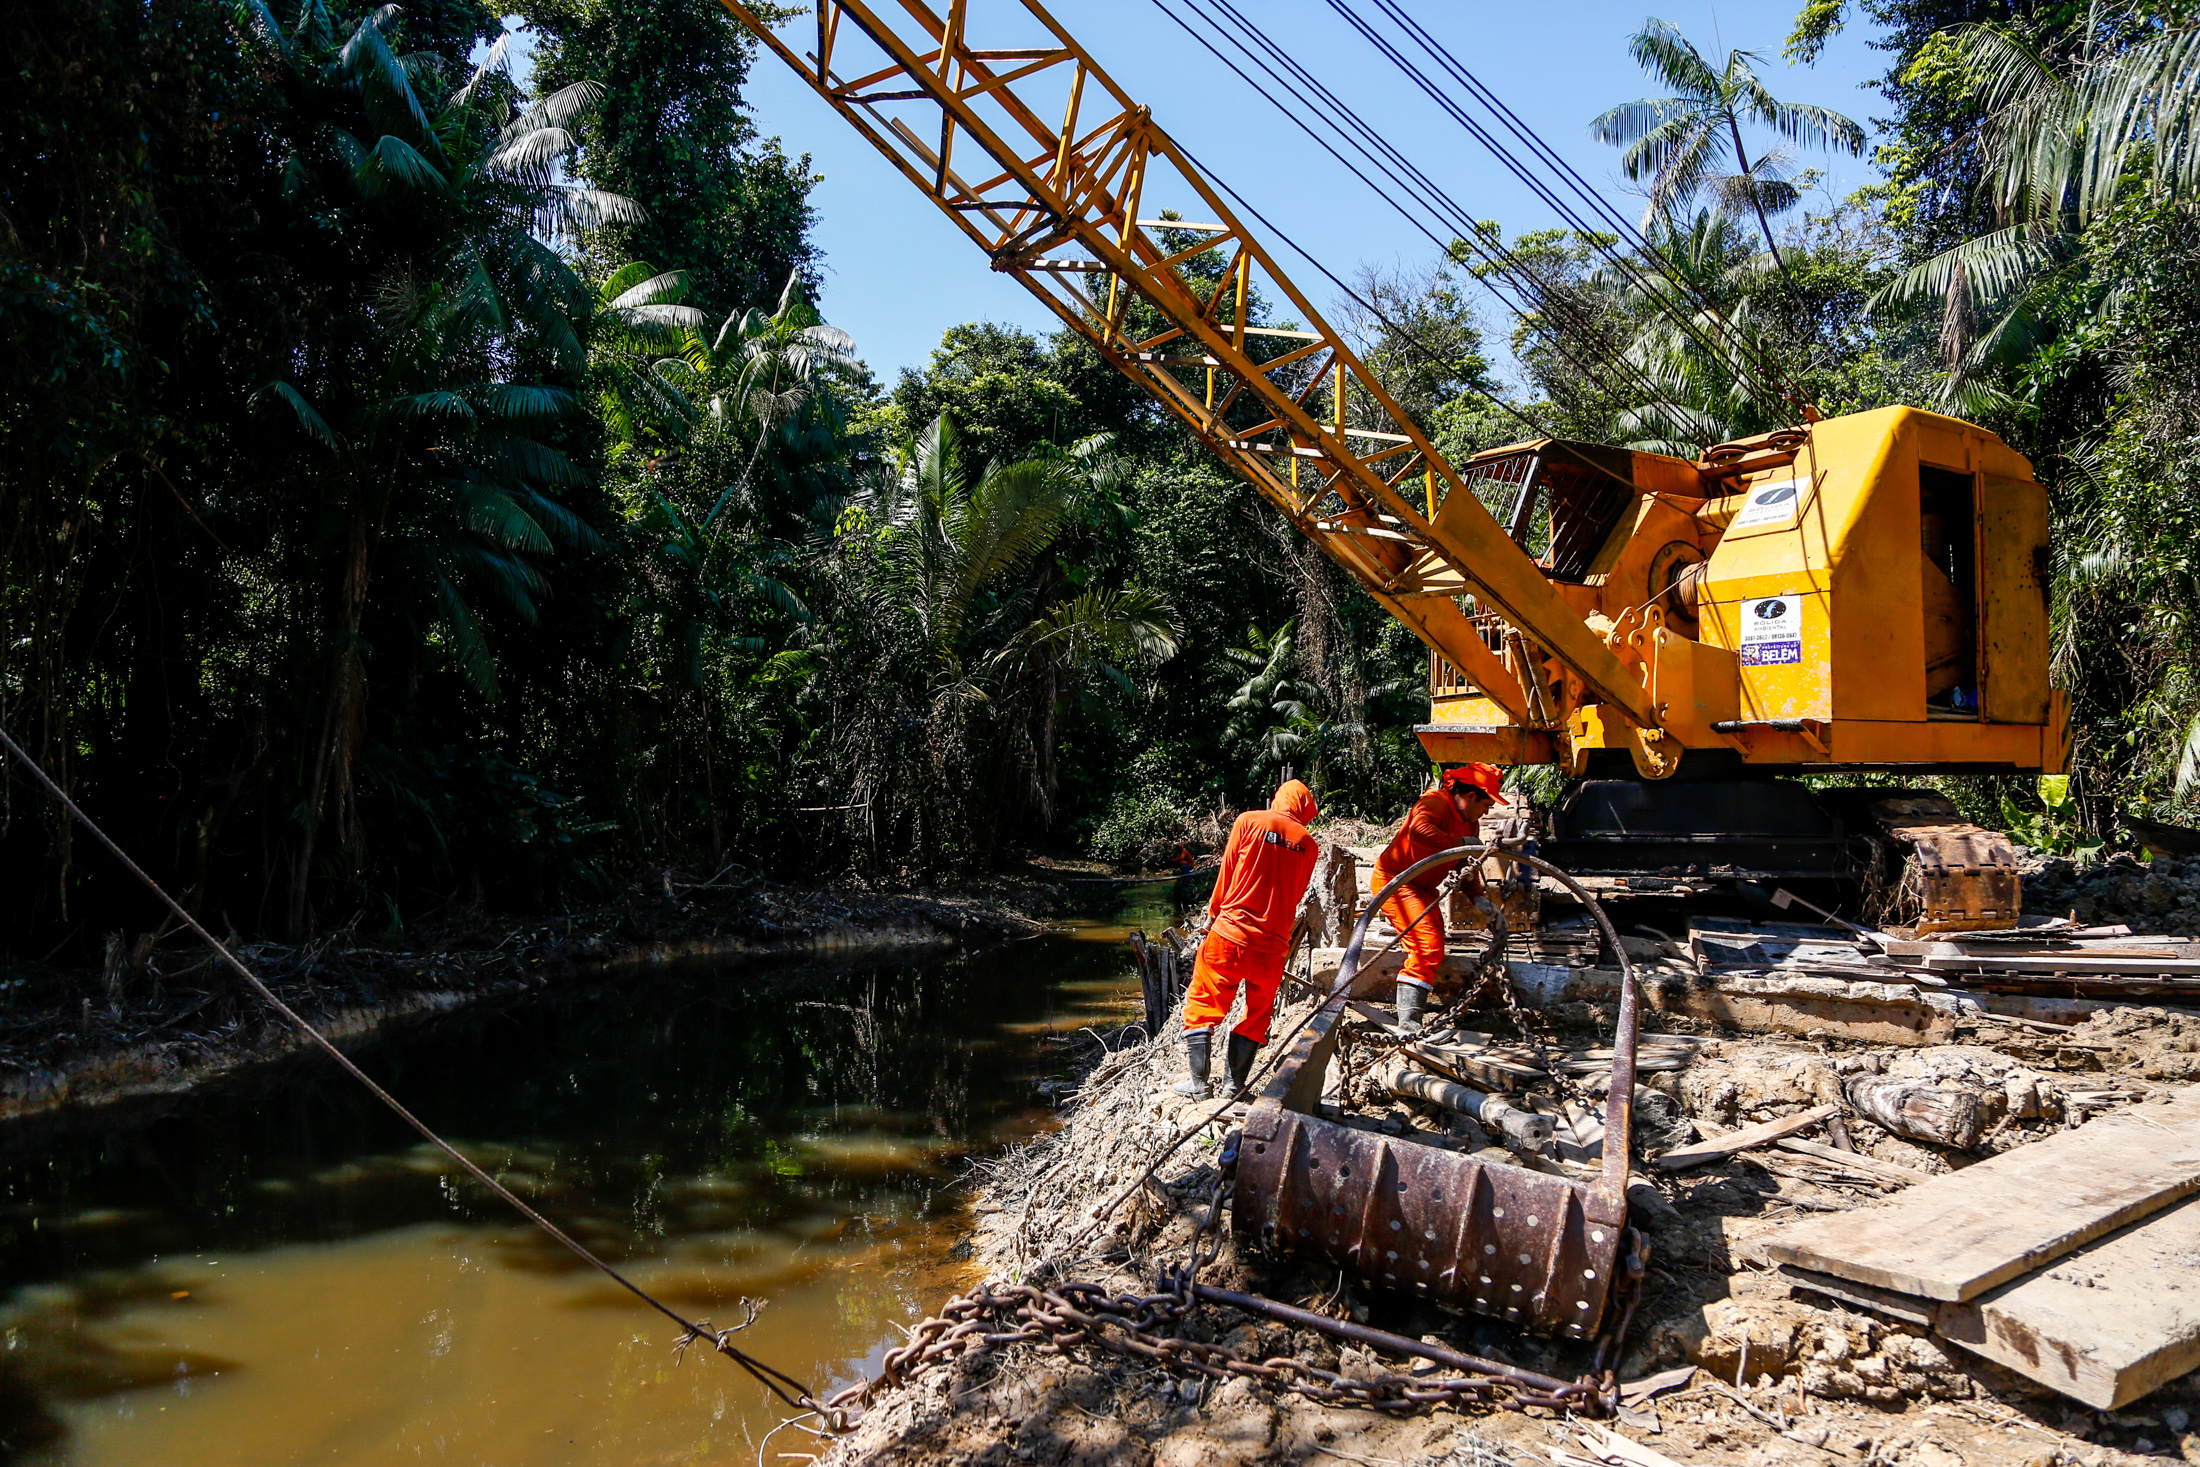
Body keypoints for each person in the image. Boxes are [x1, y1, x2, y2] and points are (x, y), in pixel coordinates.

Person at [1173, 778, 1321, 1100]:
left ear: (1279, 799)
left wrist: (1212, 916)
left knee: (1204, 1002)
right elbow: (1296, 894)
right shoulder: (1309, 844)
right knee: (1257, 1015)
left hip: (1230, 934)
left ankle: (1199, 1085)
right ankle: (1233, 1086)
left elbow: (1226, 874)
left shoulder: (1249, 821)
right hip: (1272, 945)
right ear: (1305, 809)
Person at [1372, 763, 1503, 1033]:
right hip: (1397, 882)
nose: (1486, 812)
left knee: (1433, 948)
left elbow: (1463, 865)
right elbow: (1418, 831)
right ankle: (1408, 1024)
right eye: (1486, 804)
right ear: (1470, 796)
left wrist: (1478, 898)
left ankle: (1411, 1014)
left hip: (1423, 888)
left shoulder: (1470, 823)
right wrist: (1460, 843)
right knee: (1426, 946)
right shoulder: (1435, 802)